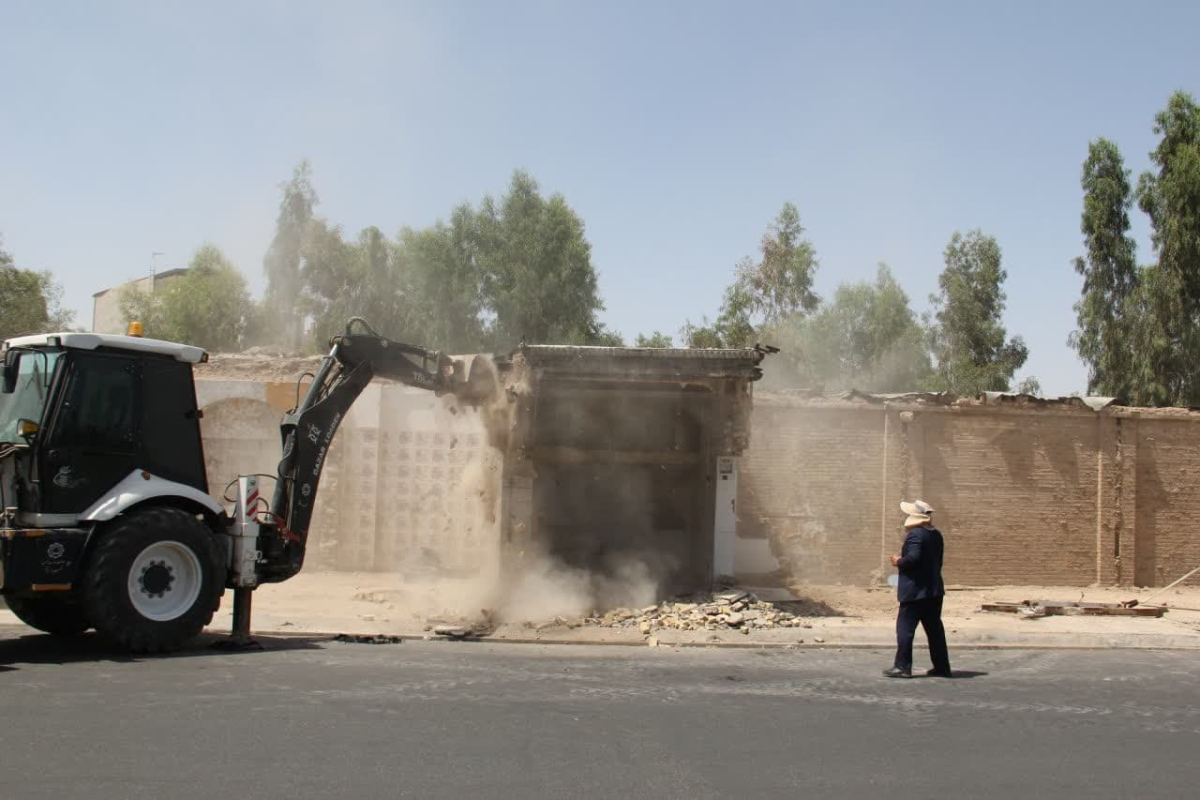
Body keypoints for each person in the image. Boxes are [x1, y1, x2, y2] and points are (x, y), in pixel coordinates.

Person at [883, 499, 952, 679]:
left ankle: (902, 667)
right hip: (934, 591)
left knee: (905, 629)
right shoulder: (936, 534)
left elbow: (913, 558)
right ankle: (942, 667)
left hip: (915, 592)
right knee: (935, 630)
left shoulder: (916, 536)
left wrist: (899, 561)